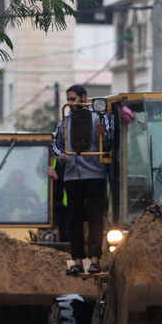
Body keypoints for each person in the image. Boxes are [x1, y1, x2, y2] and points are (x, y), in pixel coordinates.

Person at [51, 84, 111, 275]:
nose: (71, 103)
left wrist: (104, 133)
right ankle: (77, 260)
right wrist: (62, 156)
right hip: (71, 176)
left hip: (95, 175)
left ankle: (94, 260)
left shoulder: (98, 117)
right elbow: (54, 144)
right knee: (74, 219)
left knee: (95, 218)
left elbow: (111, 140)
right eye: (68, 100)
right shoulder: (64, 121)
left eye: (74, 99)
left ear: (84, 98)